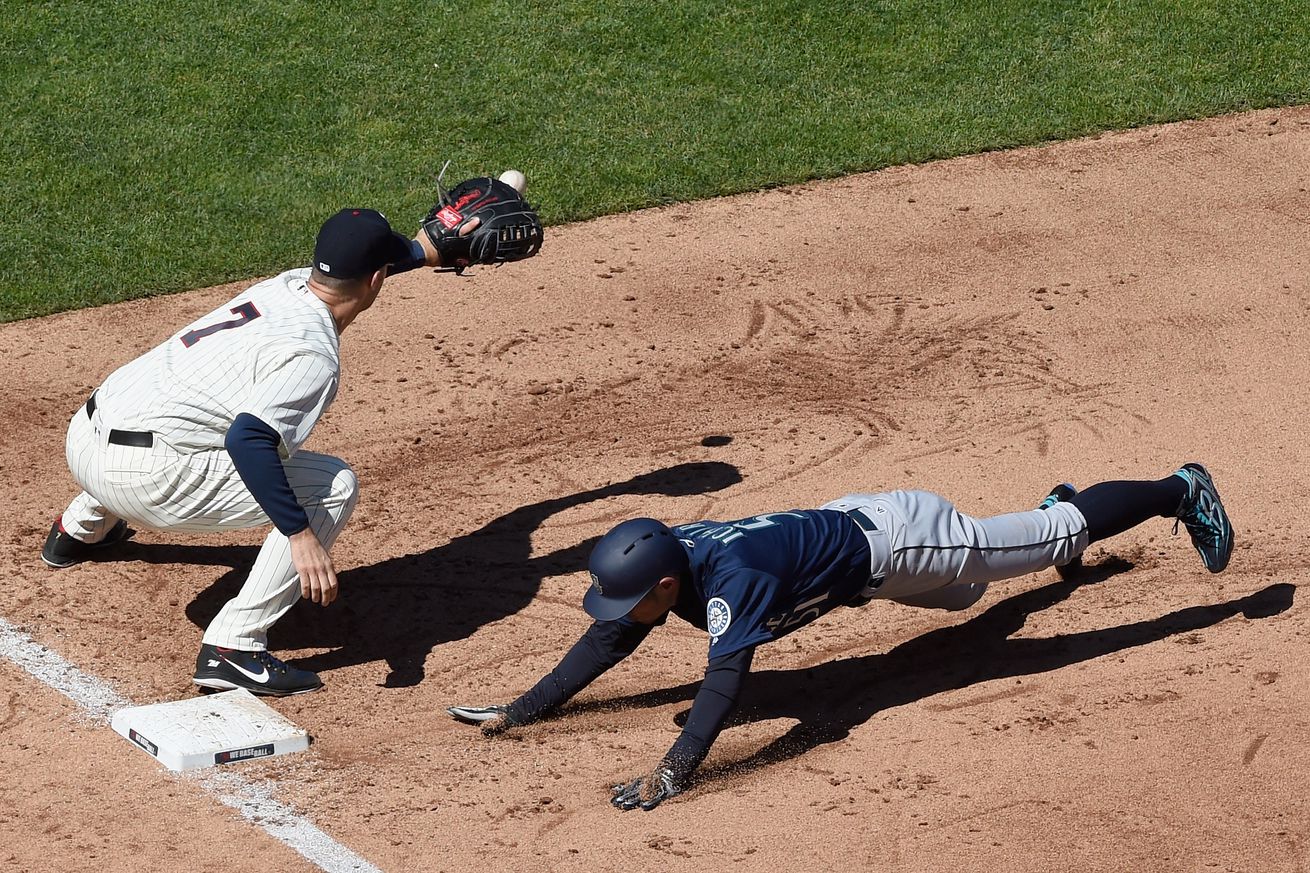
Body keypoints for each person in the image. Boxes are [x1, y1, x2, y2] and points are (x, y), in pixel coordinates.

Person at [448, 464, 1233, 810]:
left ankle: (1177, 488)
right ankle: (1045, 527)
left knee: (1037, 539)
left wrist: (675, 770)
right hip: (873, 554)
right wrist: (522, 709)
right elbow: (609, 643)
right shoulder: (669, 559)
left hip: (905, 541)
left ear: (661, 586)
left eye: (626, 604)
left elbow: (726, 682)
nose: (616, 618)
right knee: (966, 599)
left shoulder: (733, 579)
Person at [42, 194, 539, 696]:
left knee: (189, 405)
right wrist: (300, 536)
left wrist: (430, 250)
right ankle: (233, 647)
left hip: (85, 440)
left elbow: (368, 268)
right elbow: (248, 441)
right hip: (144, 482)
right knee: (331, 485)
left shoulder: (285, 286)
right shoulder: (312, 355)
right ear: (376, 280)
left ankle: (78, 530)